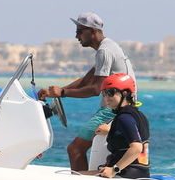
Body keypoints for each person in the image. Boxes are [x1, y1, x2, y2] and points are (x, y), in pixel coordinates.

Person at [38, 12, 135, 171]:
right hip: (117, 107)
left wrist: (63, 93)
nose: (76, 36)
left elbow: (95, 89)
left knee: (75, 149)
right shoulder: (107, 47)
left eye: (80, 31)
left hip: (113, 110)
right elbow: (86, 80)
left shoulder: (105, 51)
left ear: (93, 31)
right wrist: (56, 92)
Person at [92, 73, 150, 179]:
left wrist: (114, 170)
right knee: (78, 173)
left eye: (110, 93)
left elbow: (137, 147)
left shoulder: (124, 118)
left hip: (125, 174)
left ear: (125, 93)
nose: (106, 98)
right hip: (141, 173)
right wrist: (111, 131)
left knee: (74, 175)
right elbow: (134, 136)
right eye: (104, 93)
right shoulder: (139, 115)